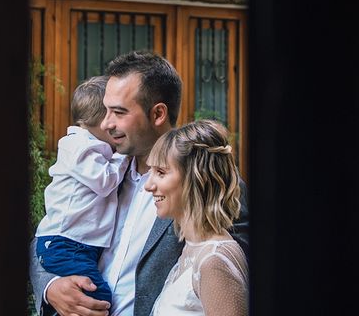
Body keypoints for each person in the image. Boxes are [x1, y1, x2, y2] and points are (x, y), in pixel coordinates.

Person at [30, 51, 249, 316]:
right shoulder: (98, 168)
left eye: (119, 112)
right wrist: (50, 287)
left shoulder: (208, 182)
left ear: (158, 113)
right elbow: (49, 234)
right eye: (106, 110)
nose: (106, 123)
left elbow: (233, 271)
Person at [34, 75, 130, 307]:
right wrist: (124, 154)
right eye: (115, 114)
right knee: (96, 298)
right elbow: (105, 181)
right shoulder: (78, 146)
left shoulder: (91, 146)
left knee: (94, 295)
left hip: (78, 245)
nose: (114, 124)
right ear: (102, 121)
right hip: (66, 243)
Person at [145, 119, 249, 316]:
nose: (148, 185)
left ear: (194, 177)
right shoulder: (191, 247)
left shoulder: (215, 260)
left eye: (160, 172)